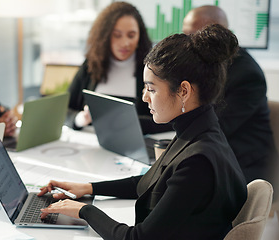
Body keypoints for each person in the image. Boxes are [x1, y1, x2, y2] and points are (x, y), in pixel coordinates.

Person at [39, 24, 247, 239]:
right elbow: (151, 182)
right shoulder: (198, 131)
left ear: (183, 91)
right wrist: (88, 188)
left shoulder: (197, 162)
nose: (145, 97)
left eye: (152, 89)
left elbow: (137, 238)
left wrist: (84, 211)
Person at [182, 5, 278, 185]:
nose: (187, 45)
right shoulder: (203, 63)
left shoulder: (248, 75)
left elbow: (217, 126)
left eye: (193, 36)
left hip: (244, 166)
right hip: (212, 152)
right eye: (185, 36)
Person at [66, 1, 171, 133]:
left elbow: (168, 120)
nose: (125, 43)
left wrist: (130, 122)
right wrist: (80, 118)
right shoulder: (91, 64)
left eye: (131, 35)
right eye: (117, 35)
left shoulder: (151, 69)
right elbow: (63, 110)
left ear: (140, 36)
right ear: (105, 37)